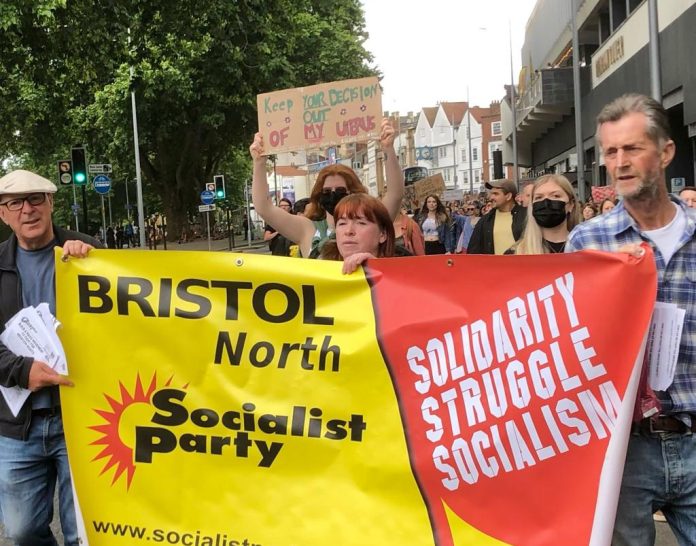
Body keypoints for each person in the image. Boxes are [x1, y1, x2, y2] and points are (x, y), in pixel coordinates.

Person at [566, 94, 696, 546]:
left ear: (665, 152)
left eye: (633, 149)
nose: (619, 162)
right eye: (610, 152)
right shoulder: (588, 241)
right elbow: (564, 342)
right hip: (622, 453)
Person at [0, 170, 100, 545]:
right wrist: (23, 371)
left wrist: (94, 266)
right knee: (23, 530)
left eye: (37, 199)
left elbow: (123, 327)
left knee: (83, 531)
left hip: (82, 417)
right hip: (17, 425)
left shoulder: (89, 251)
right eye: (15, 203)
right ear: (3, 214)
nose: (28, 209)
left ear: (51, 203)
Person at [250, 118, 403, 258]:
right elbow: (264, 208)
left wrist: (388, 149)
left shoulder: (372, 220)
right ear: (319, 195)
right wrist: (259, 162)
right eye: (327, 191)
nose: (333, 195)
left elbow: (395, 194)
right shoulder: (307, 229)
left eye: (341, 191)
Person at [319, 193, 396, 273]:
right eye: (342, 223)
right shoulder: (319, 273)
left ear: (383, 234)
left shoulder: (402, 275)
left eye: (361, 223)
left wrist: (376, 267)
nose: (348, 231)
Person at [512, 174, 579, 254]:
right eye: (539, 197)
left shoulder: (586, 247)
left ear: (571, 204)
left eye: (556, 196)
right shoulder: (515, 254)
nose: (546, 202)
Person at [467, 179, 527, 254]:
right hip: (493, 265)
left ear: (508, 196)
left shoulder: (526, 216)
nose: (491, 197)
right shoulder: (485, 220)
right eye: (491, 194)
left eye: (495, 194)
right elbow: (473, 250)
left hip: (522, 264)